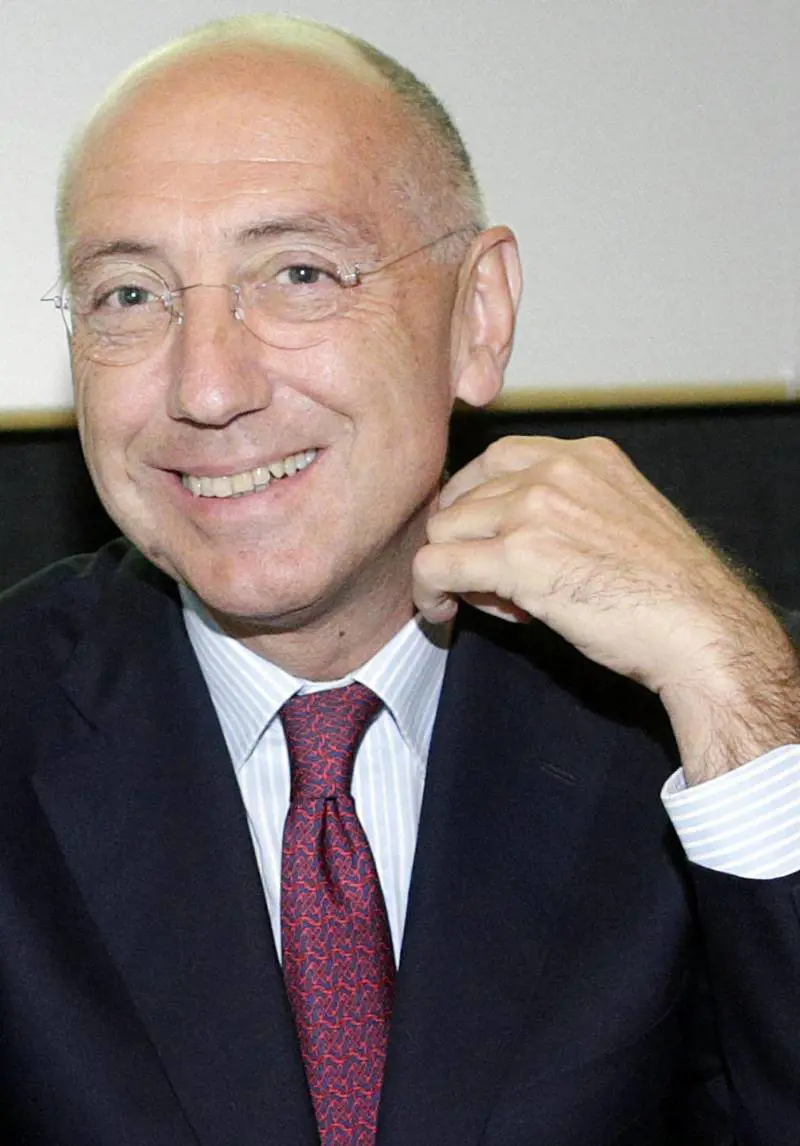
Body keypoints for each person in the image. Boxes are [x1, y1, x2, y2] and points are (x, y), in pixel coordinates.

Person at [2, 14, 799, 1145]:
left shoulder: (699, 718)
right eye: (129, 295)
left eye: (298, 274)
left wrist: (741, 704)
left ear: (478, 315)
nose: (208, 389)